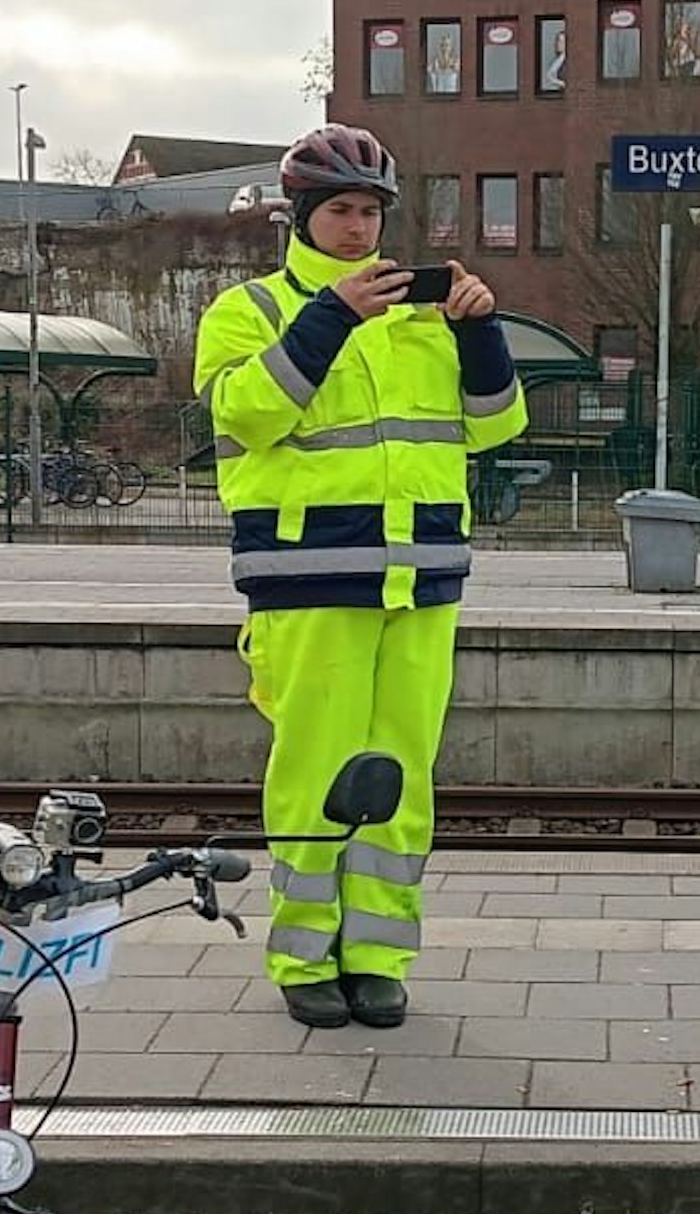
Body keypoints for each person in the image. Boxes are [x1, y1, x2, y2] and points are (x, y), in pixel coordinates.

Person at [192, 124, 528, 1031]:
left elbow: (495, 425)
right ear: (302, 216)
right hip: (309, 580)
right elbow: (248, 414)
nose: (358, 226)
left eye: (371, 211)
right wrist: (332, 313)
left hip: (420, 582)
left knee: (404, 776)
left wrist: (482, 331)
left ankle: (378, 953)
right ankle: (305, 953)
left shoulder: (424, 319)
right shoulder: (250, 311)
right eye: (340, 209)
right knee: (313, 772)